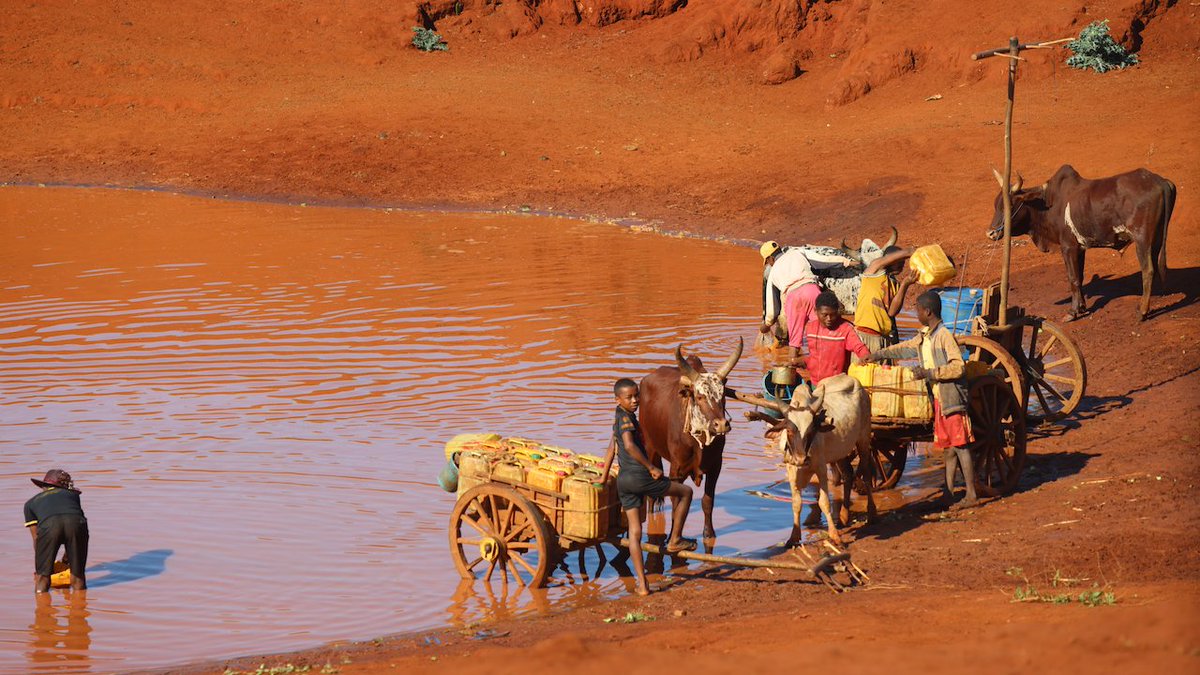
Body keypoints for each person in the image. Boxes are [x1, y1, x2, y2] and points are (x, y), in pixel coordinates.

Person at [863, 291, 976, 509]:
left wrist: (930, 373)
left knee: (961, 446)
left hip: (952, 397)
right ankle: (949, 492)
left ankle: (971, 494)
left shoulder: (943, 336)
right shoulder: (925, 335)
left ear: (928, 311)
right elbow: (905, 349)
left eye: (917, 310)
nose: (916, 314)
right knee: (949, 449)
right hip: (939, 399)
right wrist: (877, 355)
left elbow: (958, 367)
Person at [601, 378, 695, 596]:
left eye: (637, 396)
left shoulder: (618, 417)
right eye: (630, 397)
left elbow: (610, 450)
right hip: (640, 478)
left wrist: (603, 480)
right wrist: (651, 467)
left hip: (624, 481)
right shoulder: (626, 421)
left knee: (635, 533)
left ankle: (642, 586)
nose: (635, 401)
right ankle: (675, 539)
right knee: (686, 492)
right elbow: (629, 445)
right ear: (618, 399)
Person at [24, 469, 89, 592]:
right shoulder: (73, 496)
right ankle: (79, 607)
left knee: (42, 577)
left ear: (44, 486)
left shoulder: (30, 504)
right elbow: (72, 526)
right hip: (77, 523)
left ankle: (42, 607)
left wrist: (43, 565)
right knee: (78, 575)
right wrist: (67, 559)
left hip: (49, 526)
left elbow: (37, 538)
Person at [759, 243, 824, 363]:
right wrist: (845, 262)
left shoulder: (773, 272)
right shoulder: (796, 252)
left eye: (768, 262)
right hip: (812, 290)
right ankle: (821, 362)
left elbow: (773, 310)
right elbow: (823, 260)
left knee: (794, 341)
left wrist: (766, 325)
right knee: (821, 331)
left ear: (770, 259)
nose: (770, 264)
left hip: (793, 298)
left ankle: (791, 367)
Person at [794, 291, 871, 385]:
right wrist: (797, 362)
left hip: (837, 385)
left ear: (837, 311)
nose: (829, 319)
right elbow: (811, 358)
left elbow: (859, 347)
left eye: (832, 314)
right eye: (825, 315)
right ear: (816, 311)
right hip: (816, 383)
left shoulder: (845, 329)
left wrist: (865, 356)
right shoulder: (810, 328)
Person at [853, 246, 917, 356]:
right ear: (889, 260)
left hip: (883, 336)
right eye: (899, 261)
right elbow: (883, 261)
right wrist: (909, 252)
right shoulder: (873, 271)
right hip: (865, 335)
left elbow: (892, 312)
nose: (902, 264)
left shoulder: (894, 283)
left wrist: (905, 285)